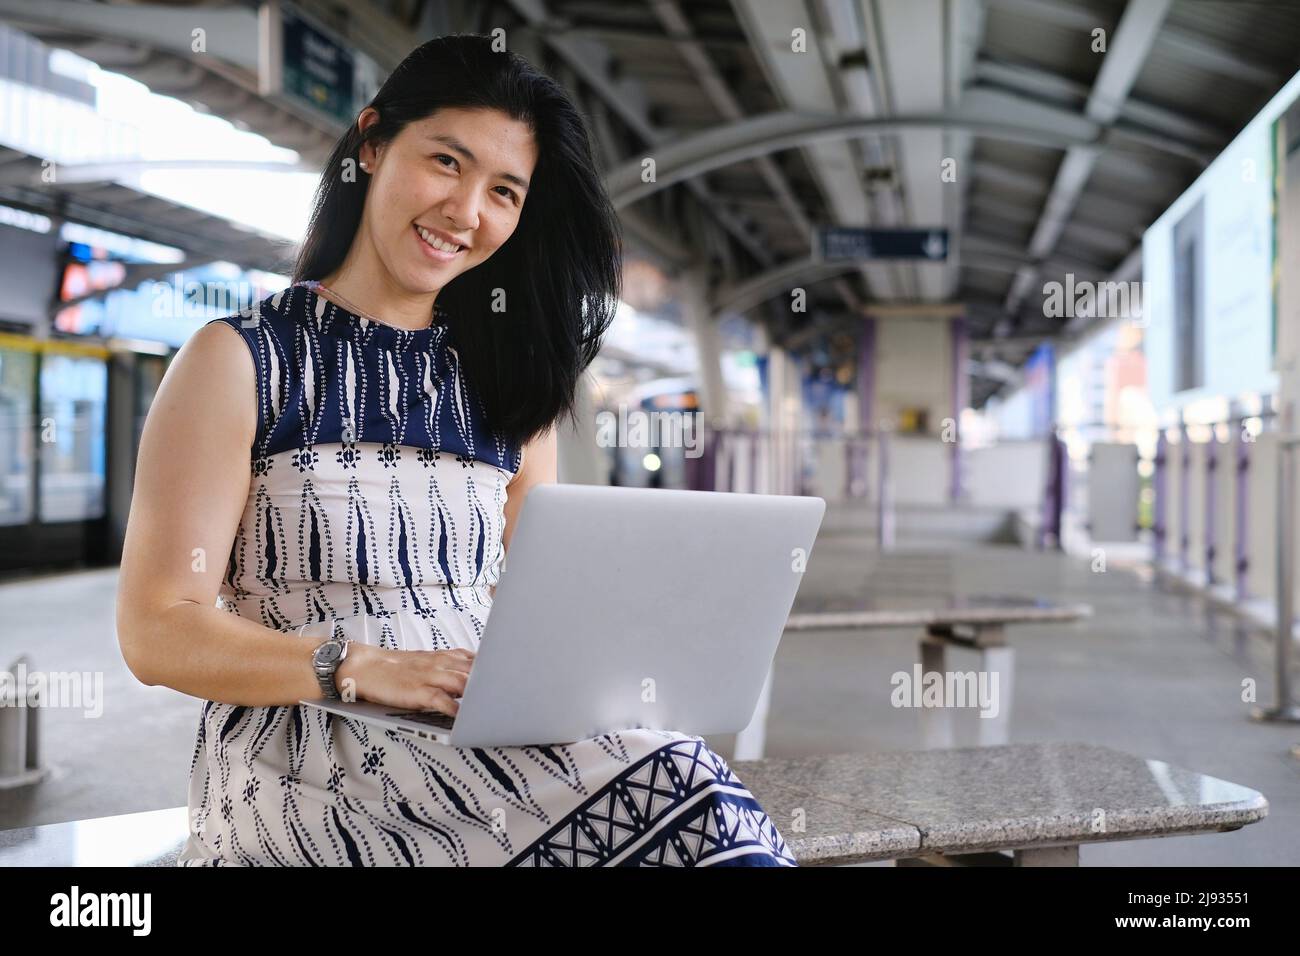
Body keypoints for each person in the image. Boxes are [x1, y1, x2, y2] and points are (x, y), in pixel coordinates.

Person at [116, 33, 796, 866]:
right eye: (447, 162)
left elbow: (540, 606)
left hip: (475, 738)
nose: (467, 212)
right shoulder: (240, 359)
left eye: (504, 191)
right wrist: (357, 665)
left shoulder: (513, 385)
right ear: (371, 143)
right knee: (687, 808)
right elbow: (156, 630)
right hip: (293, 766)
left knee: (689, 787)